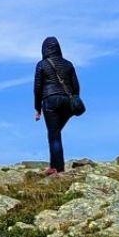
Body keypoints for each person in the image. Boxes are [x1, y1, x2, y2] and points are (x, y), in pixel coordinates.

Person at [34, 36, 80, 175]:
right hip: (67, 101)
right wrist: (74, 101)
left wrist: (37, 108)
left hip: (50, 100)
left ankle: (57, 168)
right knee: (56, 132)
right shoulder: (68, 64)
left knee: (54, 134)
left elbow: (37, 87)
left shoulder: (42, 64)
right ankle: (55, 165)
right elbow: (76, 86)